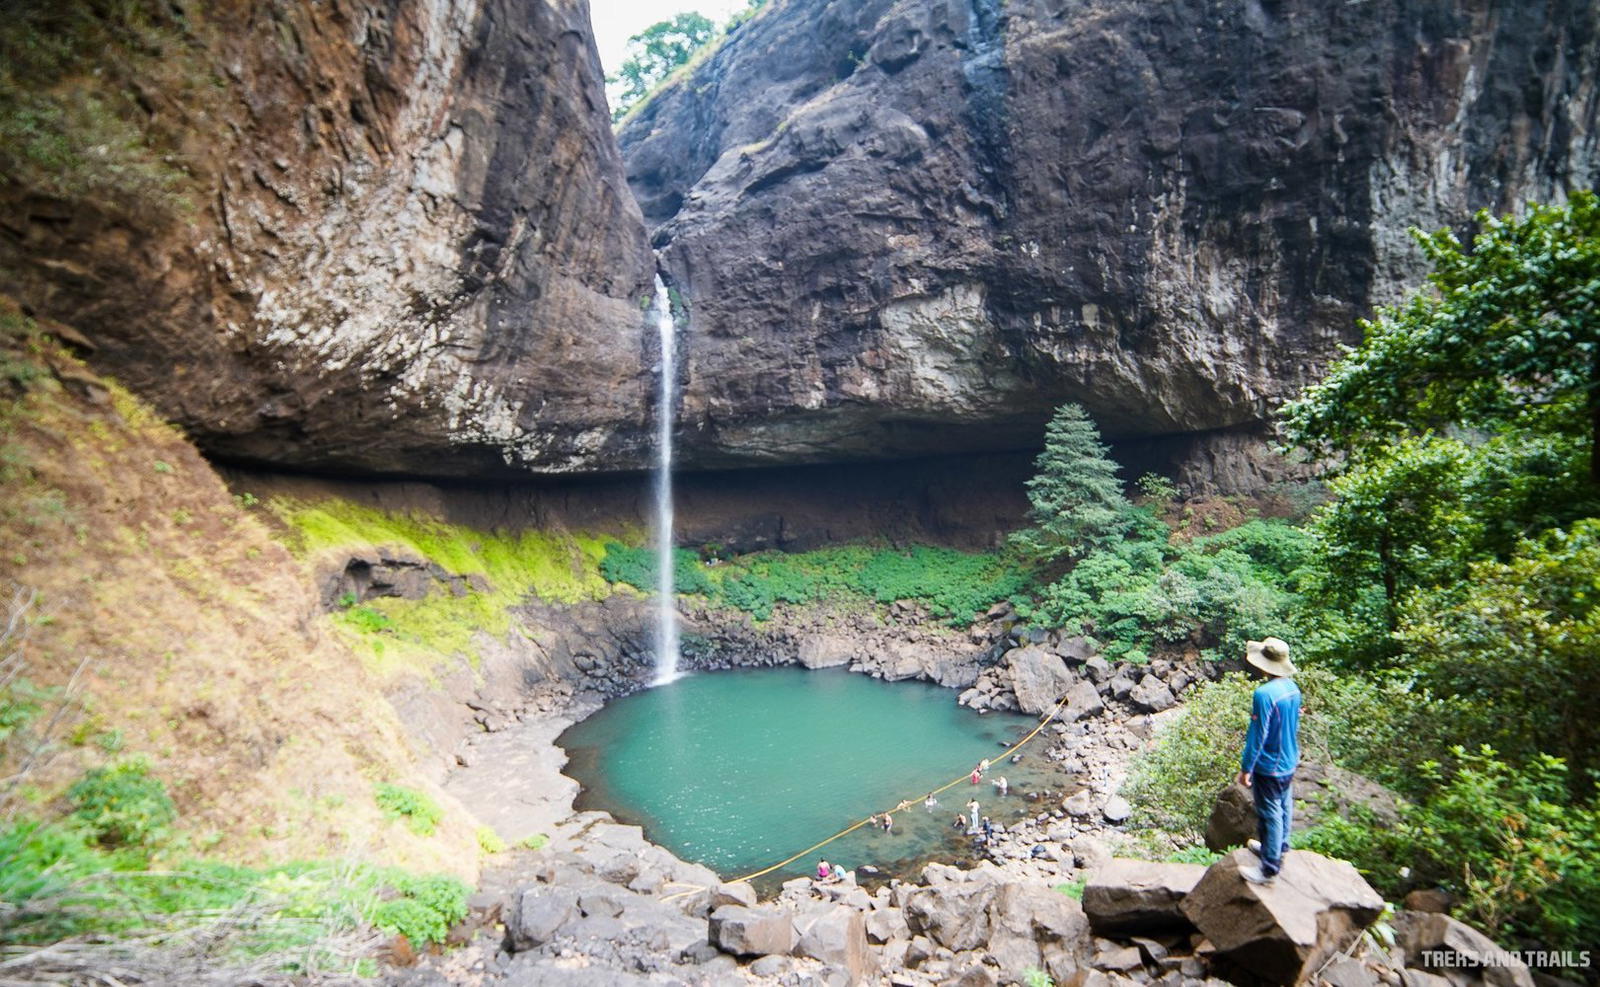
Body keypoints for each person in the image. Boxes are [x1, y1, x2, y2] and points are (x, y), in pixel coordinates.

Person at [1235, 636, 1301, 883]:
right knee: (1284, 804)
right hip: (1289, 759)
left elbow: (1258, 735)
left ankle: (1269, 868)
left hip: (1270, 764)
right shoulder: (1292, 688)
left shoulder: (1264, 694)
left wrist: (1246, 768)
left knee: (1270, 811)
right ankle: (1278, 846)